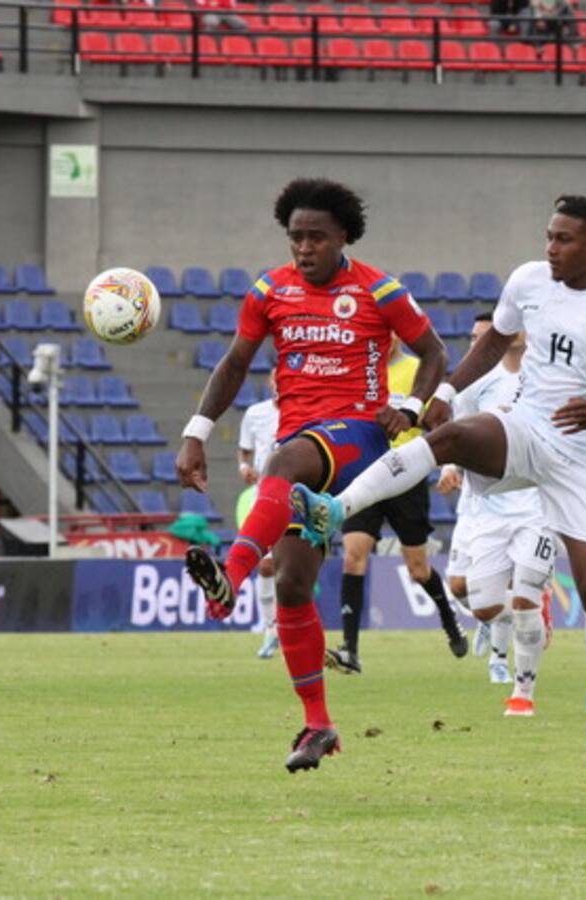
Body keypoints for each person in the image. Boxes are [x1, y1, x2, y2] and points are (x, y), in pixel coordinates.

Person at [292, 195, 586, 768]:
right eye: (548, 236)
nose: (550, 248)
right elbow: (495, 340)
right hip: (526, 427)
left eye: (564, 240)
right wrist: (443, 394)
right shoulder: (528, 281)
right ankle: (335, 509)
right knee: (449, 438)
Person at [176, 178, 446, 773]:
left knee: (284, 462)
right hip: (299, 445)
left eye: (316, 237)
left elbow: (433, 353)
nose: (304, 247)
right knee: (295, 587)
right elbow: (234, 363)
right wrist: (197, 430)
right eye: (296, 237)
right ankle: (318, 725)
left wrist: (413, 409)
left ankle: (231, 577)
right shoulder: (270, 291)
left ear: (343, 235)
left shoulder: (380, 289)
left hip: (360, 438)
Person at [435, 312, 556, 715]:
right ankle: (532, 617)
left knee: (523, 600)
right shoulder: (476, 385)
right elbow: (459, 433)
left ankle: (522, 695)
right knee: (480, 602)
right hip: (486, 507)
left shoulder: (548, 378)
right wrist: (450, 467)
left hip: (536, 507)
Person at [328, 338, 468, 676]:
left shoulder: (417, 371)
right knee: (353, 553)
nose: (384, 339)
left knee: (418, 568)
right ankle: (350, 650)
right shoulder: (359, 372)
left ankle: (449, 618)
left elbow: (438, 420)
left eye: (389, 333)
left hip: (406, 474)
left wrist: (447, 464)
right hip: (365, 474)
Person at [236, 371, 280, 659]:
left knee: (293, 566)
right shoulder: (255, 413)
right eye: (277, 380)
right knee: (264, 564)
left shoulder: (305, 411)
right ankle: (270, 628)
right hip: (264, 492)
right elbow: (244, 452)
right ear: (270, 382)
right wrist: (244, 468)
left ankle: (292, 628)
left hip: (298, 493)